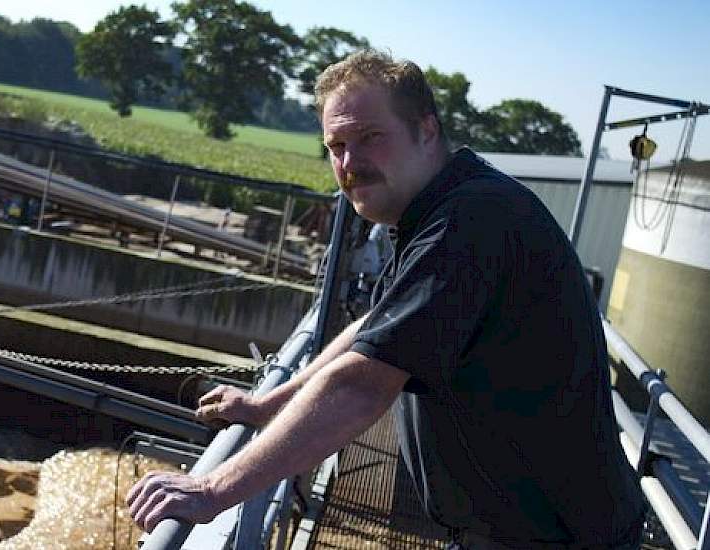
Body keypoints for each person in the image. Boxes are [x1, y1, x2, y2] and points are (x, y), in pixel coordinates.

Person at [127, 50, 645, 549]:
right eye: (336, 147)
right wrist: (267, 406)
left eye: (370, 138)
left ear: (426, 130)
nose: (350, 163)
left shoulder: (468, 221)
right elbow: (376, 330)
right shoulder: (440, 208)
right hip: (520, 530)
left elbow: (364, 383)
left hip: (551, 538)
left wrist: (213, 489)